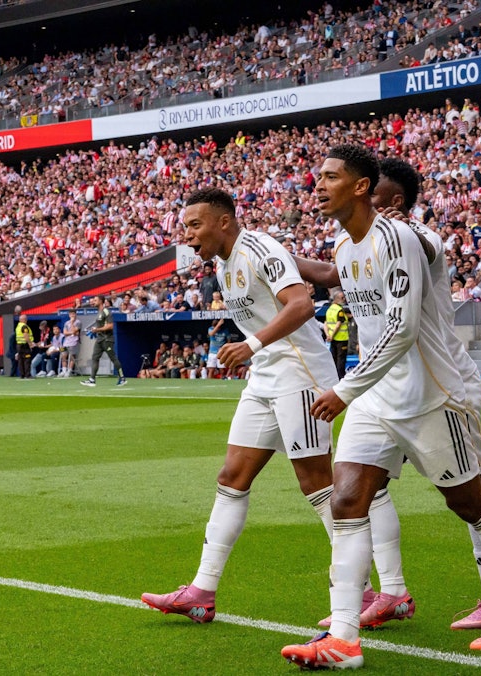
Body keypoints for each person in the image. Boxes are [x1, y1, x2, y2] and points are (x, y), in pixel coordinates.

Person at [281, 145, 481, 669]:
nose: (318, 185)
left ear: (361, 187)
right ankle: (345, 639)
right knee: (347, 500)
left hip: (434, 394)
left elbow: (402, 328)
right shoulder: (346, 248)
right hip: (378, 396)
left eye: (330, 177)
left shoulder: (401, 239)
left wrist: (345, 389)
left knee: (471, 503)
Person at [141, 187, 339, 625]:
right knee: (232, 477)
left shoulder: (260, 247)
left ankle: (358, 592)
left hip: (300, 372)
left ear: (224, 222)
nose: (188, 235)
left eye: (195, 225)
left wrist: (249, 344)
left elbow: (302, 303)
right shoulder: (225, 263)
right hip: (266, 374)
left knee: (316, 483)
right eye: (185, 227)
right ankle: (202, 591)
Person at [81, 295, 126, 386]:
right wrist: (94, 331)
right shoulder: (99, 312)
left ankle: (122, 378)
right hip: (100, 339)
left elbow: (110, 326)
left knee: (113, 358)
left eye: (95, 300)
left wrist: (97, 330)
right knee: (95, 357)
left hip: (107, 339)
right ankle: (92, 380)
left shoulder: (106, 311)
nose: (93, 302)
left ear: (101, 301)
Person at [324, 291, 350, 378]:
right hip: (341, 339)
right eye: (342, 298)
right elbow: (338, 324)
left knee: (334, 359)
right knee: (341, 360)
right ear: (336, 299)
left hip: (332, 339)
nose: (344, 299)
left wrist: (328, 335)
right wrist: (332, 335)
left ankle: (334, 377)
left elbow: (326, 323)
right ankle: (340, 378)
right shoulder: (339, 310)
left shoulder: (329, 309)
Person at [61, 308, 81, 376]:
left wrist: (72, 323)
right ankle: (63, 370)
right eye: (71, 314)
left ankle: (69, 371)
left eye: (73, 314)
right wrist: (72, 333)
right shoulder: (66, 323)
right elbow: (65, 333)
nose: (72, 315)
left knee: (72, 356)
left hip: (74, 342)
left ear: (75, 315)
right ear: (69, 315)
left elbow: (74, 331)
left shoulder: (78, 322)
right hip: (66, 342)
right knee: (63, 355)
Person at [15, 313, 35, 378]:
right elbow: (26, 335)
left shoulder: (18, 326)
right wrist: (30, 344)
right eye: (26, 319)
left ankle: (22, 374)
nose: (27, 320)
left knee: (21, 360)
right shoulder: (24, 326)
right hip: (24, 345)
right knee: (27, 359)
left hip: (19, 345)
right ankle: (27, 374)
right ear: (24, 320)